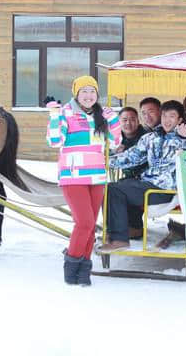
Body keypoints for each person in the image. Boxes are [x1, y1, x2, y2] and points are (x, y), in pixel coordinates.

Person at [46, 75, 121, 286]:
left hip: (97, 176)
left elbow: (116, 142)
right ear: (76, 94)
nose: (88, 96)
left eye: (92, 91)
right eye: (84, 91)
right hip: (73, 176)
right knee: (84, 222)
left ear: (97, 94)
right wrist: (54, 114)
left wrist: (113, 119)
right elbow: (55, 141)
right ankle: (71, 266)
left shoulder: (101, 116)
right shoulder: (65, 113)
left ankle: (83, 271)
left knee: (90, 225)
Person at [99, 100, 186, 251]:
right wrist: (103, 161)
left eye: (172, 116)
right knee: (111, 188)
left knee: (115, 189)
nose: (167, 120)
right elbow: (131, 157)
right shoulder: (150, 138)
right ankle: (119, 234)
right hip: (147, 184)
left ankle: (118, 237)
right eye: (165, 116)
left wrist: (181, 139)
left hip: (165, 190)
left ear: (180, 120)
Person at [115, 107, 148, 180]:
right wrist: (114, 151)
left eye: (132, 120)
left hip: (146, 178)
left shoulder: (147, 137)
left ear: (138, 121)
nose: (128, 123)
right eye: (124, 120)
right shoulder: (115, 137)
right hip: (128, 177)